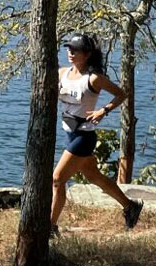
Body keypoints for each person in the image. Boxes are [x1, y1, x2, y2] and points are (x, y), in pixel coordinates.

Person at [51, 33, 143, 237]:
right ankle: (130, 207)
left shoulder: (94, 78)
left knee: (57, 179)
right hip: (69, 134)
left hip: (84, 137)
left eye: (75, 50)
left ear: (87, 54)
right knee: (94, 176)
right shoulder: (62, 73)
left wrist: (104, 110)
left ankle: (50, 227)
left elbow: (121, 94)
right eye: (68, 49)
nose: (70, 53)